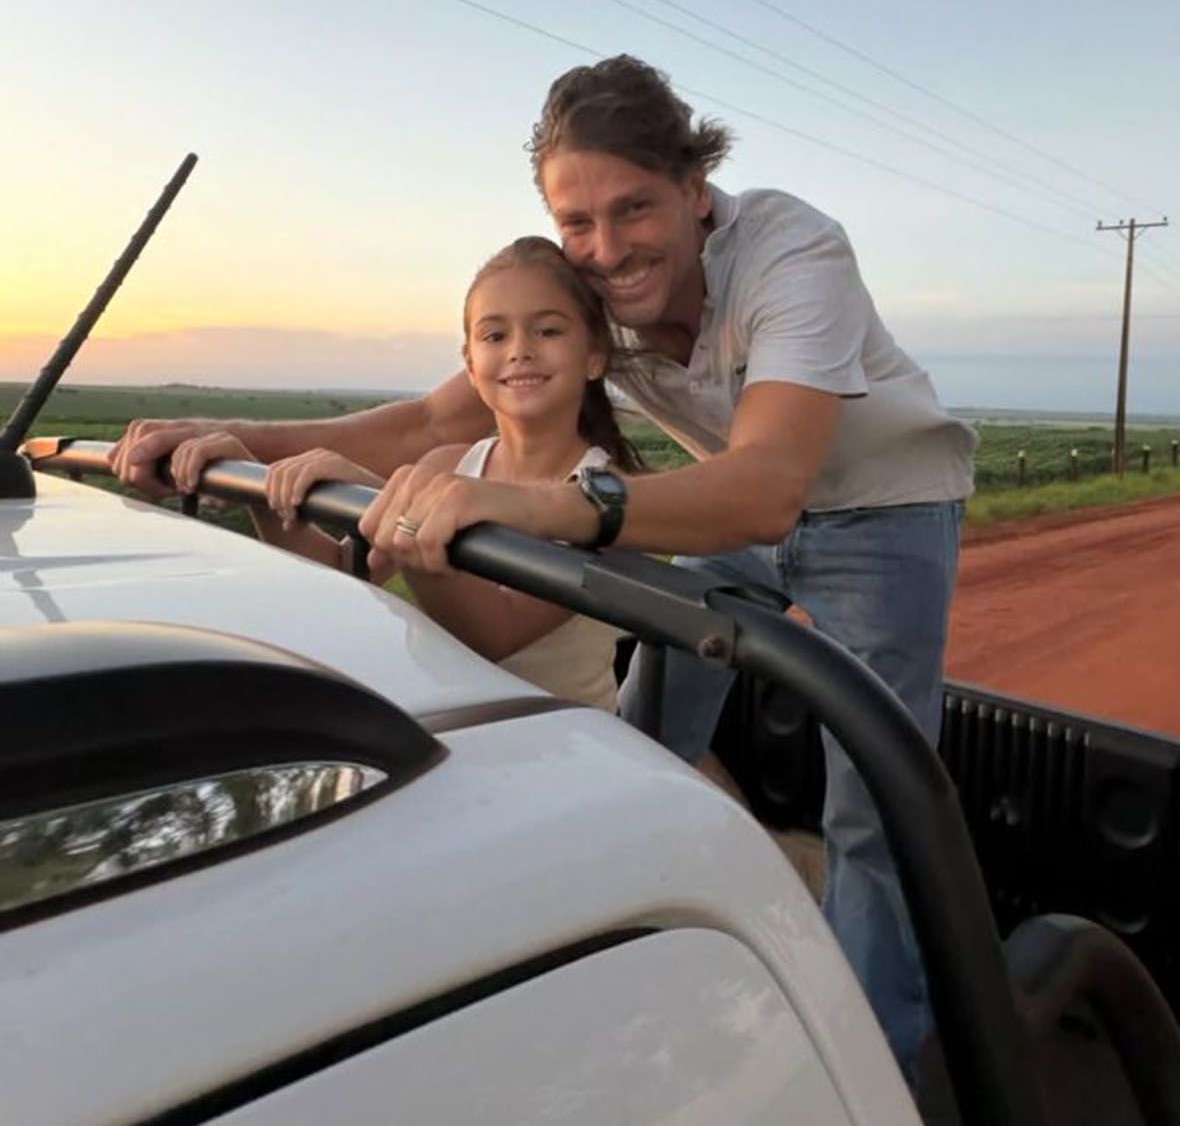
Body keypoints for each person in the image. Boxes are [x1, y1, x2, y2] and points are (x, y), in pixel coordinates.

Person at [112, 53, 975, 1077]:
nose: (607, 249)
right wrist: (237, 441)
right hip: (723, 495)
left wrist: (534, 505)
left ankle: (873, 1062)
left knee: (872, 796)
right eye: (577, 222)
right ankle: (647, 942)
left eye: (634, 208)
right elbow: (428, 421)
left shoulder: (793, 254)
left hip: (876, 509)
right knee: (647, 727)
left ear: (696, 188)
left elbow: (766, 488)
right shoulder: (590, 296)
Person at [165, 236, 642, 711]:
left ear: (595, 353)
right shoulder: (446, 465)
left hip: (566, 740)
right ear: (470, 365)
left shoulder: (606, 497)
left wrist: (387, 502)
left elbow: (493, 635)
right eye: (495, 336)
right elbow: (344, 570)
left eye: (548, 331)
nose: (520, 350)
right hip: (452, 723)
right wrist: (264, 490)